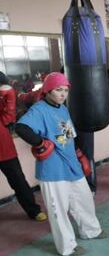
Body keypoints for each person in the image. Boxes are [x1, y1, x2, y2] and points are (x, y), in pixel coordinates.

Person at [15, 72, 107, 256]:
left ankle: (91, 230)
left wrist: (79, 153)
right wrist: (40, 143)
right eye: (58, 90)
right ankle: (67, 247)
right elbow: (21, 127)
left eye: (65, 90)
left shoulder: (62, 108)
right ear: (48, 90)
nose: (62, 94)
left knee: (84, 199)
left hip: (71, 165)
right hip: (52, 169)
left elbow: (68, 134)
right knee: (59, 210)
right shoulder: (39, 110)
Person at [0, 72, 47, 222]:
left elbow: (8, 118)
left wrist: (6, 91)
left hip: (4, 147)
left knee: (18, 181)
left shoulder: (5, 93)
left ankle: (33, 210)